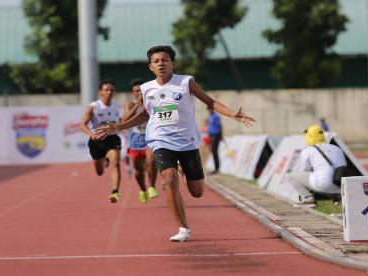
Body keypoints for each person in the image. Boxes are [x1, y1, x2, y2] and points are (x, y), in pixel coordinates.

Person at [95, 45, 255, 242]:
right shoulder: (147, 88)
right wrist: (119, 127)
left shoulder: (186, 82)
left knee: (197, 192)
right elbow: (145, 114)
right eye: (156, 61)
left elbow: (210, 102)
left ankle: (182, 169)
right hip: (160, 139)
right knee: (169, 179)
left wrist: (233, 114)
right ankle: (183, 228)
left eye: (165, 60)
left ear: (173, 63)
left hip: (187, 141)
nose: (161, 63)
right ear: (150, 66)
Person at [80, 80, 122, 203]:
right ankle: (105, 160)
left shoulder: (117, 106)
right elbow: (82, 124)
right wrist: (91, 134)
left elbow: (120, 121)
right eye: (106, 90)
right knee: (99, 172)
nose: (109, 92)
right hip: (97, 140)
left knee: (116, 162)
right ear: (100, 92)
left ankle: (115, 192)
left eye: (111, 90)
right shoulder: (94, 106)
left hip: (112, 138)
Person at [287, 125, 346, 207]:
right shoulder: (336, 148)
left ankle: (308, 199)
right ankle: (337, 197)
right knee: (323, 178)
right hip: (340, 185)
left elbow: (302, 170)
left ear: (309, 136)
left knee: (292, 175)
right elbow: (343, 167)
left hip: (323, 184)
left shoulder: (308, 150)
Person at [122, 78, 159, 204]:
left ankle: (152, 187)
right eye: (136, 91)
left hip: (151, 138)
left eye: (141, 90)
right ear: (133, 93)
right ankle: (143, 189)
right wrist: (138, 105)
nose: (139, 93)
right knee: (138, 171)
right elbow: (124, 120)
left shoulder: (153, 101)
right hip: (136, 141)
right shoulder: (131, 104)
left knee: (151, 160)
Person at [207, 106, 222, 174]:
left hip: (216, 135)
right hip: (211, 135)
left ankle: (217, 168)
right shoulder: (210, 117)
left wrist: (221, 135)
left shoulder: (216, 116)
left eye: (211, 109)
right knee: (212, 151)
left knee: (214, 151)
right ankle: (216, 167)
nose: (210, 110)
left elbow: (220, 126)